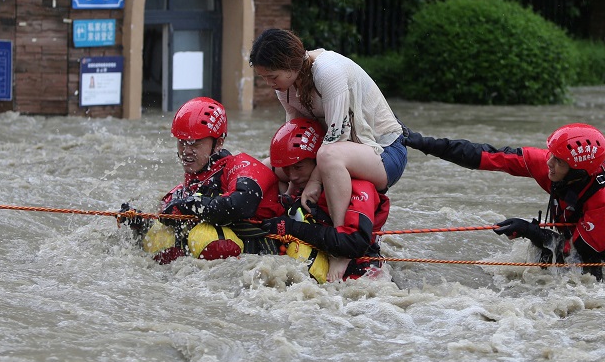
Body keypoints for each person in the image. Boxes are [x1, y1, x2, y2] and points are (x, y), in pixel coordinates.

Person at [403, 122, 605, 283]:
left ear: (578, 170)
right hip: (594, 239)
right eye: (550, 155)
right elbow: (489, 157)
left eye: (558, 161)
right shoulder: (559, 168)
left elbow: (576, 257)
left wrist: (531, 232)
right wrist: (424, 143)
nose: (548, 164)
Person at [249, 28, 406, 281]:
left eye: (272, 76)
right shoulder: (285, 86)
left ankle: (341, 245)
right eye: (264, 77)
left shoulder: (328, 72)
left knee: (329, 157)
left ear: (290, 65)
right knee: (270, 164)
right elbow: (297, 138)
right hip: (339, 151)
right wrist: (288, 183)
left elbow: (337, 139)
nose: (269, 83)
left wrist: (314, 182)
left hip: (385, 153)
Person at [118, 96, 285, 264]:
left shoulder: (242, 167)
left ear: (218, 143)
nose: (186, 152)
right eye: (181, 143)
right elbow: (167, 215)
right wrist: (139, 223)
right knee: (159, 235)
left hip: (261, 251)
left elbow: (242, 204)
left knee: (207, 238)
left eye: (195, 144)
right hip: (209, 265)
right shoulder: (189, 185)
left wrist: (191, 206)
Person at [259, 118, 390, 283]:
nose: (292, 176)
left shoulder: (358, 187)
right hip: (319, 246)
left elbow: (353, 243)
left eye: (298, 167)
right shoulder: (298, 179)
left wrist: (290, 227)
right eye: (287, 168)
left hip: (356, 259)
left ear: (317, 162)